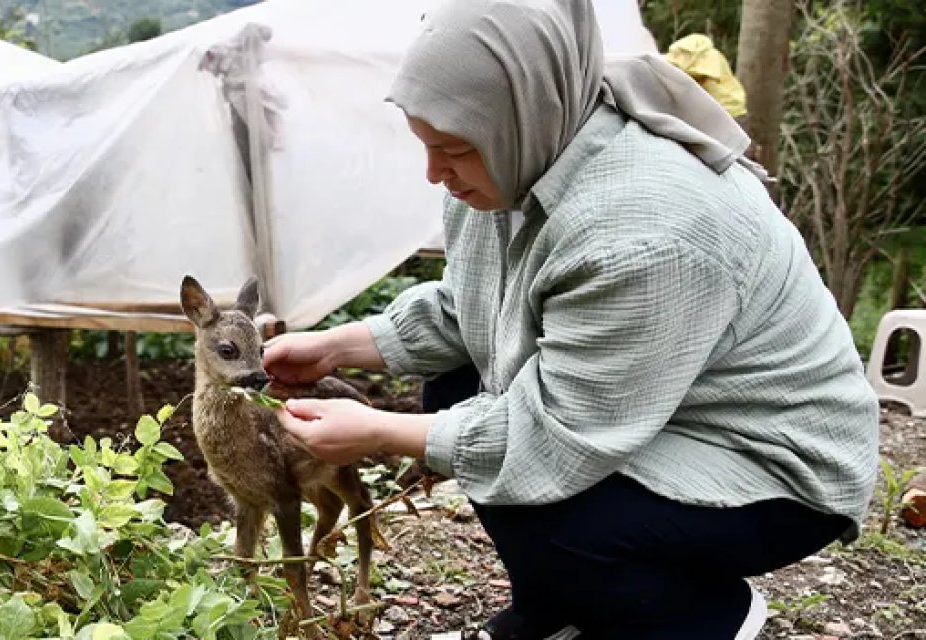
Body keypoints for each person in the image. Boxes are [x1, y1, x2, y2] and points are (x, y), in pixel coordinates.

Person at [264, 1, 881, 638]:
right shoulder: (521, 156)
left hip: (772, 461)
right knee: (454, 385)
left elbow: (555, 434)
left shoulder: (642, 232)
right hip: (658, 406)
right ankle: (557, 608)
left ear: (516, 117)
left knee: (554, 511)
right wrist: (335, 348)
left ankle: (704, 617)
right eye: (427, 146)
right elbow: (473, 309)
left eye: (450, 149)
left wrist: (376, 431)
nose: (433, 173)